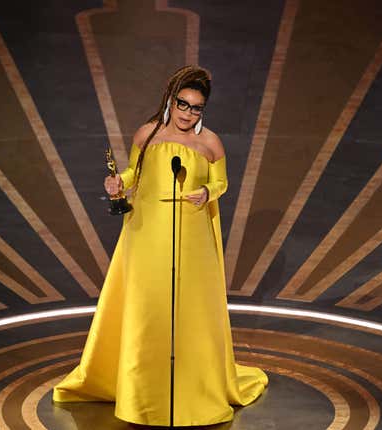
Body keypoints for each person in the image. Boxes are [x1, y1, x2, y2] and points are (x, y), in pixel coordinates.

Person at [52, 65, 268, 426]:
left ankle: (194, 387)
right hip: (147, 232)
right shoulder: (147, 134)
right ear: (170, 101)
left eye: (196, 108)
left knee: (190, 308)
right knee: (147, 307)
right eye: (182, 104)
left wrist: (206, 192)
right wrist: (116, 184)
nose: (187, 113)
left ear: (203, 111)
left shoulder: (211, 143)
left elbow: (223, 183)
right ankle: (142, 388)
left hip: (193, 235)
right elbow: (134, 174)